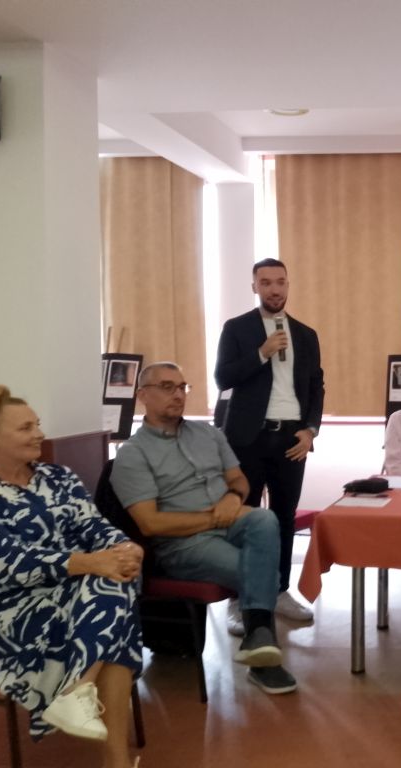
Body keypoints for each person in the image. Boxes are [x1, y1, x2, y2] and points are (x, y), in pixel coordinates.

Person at [0, 384, 143, 768]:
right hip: (4, 611)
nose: (39, 433)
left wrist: (124, 547)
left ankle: (78, 693)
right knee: (114, 606)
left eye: (37, 424)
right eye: (25, 428)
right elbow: (8, 562)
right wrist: (91, 563)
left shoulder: (59, 478)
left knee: (112, 585)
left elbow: (94, 526)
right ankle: (107, 747)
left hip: (74, 591)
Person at [110, 362, 297, 696]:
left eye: (182, 387)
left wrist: (233, 498)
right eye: (167, 387)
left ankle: (258, 639)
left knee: (264, 519)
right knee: (258, 569)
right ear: (142, 395)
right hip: (183, 543)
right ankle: (263, 659)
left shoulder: (209, 433)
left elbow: (238, 479)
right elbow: (150, 524)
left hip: (230, 523)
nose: (178, 394)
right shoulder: (133, 454)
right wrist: (215, 517)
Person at [215, 258, 324, 625]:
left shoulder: (306, 334)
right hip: (248, 437)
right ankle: (238, 597)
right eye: (266, 283)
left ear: (288, 285)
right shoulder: (237, 328)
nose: (274, 289)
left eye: (280, 282)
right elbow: (223, 378)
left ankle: (278, 591)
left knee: (283, 516)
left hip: (292, 437)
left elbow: (316, 386)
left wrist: (310, 430)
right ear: (255, 287)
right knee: (244, 516)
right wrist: (262, 352)